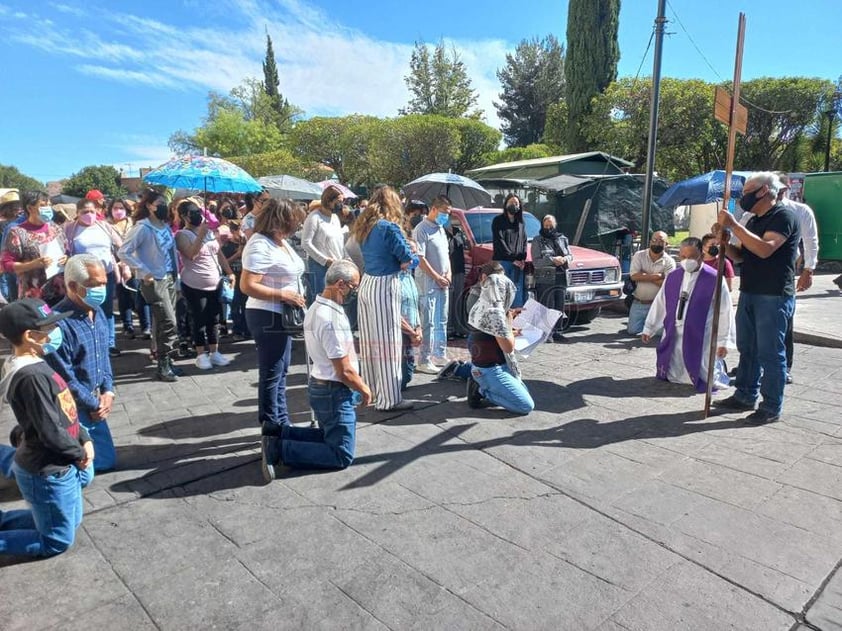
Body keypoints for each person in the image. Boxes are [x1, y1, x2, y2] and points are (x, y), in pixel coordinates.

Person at [0, 298, 94, 557]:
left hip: (62, 464)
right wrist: (78, 454)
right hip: (47, 470)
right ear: (30, 336)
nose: (55, 333)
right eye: (49, 328)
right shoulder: (31, 377)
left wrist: (84, 437)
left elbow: (65, 412)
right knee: (57, 541)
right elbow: (50, 429)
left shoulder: (38, 364)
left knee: (67, 524)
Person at [260, 260, 371, 480]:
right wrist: (364, 388)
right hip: (334, 391)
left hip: (322, 387)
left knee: (328, 435)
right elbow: (344, 371)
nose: (354, 293)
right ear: (341, 284)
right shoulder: (330, 319)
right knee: (340, 453)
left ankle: (277, 433)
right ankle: (278, 450)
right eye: (353, 287)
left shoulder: (316, 306)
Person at [714, 172, 800, 424]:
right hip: (750, 291)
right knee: (748, 348)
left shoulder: (783, 216)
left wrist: (734, 225)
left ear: (764, 191)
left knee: (770, 352)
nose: (744, 196)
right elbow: (741, 256)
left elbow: (764, 249)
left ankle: (771, 405)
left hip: (773, 295)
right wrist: (725, 243)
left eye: (749, 190)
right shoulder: (753, 221)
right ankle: (745, 394)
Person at [44, 254, 117, 471]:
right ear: (73, 286)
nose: (101, 290)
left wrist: (108, 392)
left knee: (105, 461)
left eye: (103, 283)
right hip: (69, 406)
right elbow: (64, 378)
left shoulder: (97, 312)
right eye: (94, 285)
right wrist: (95, 405)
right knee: (83, 470)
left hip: (92, 402)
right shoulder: (58, 326)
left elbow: (103, 357)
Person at [240, 198, 306, 434]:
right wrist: (283, 295)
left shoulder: (279, 241)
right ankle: (271, 427)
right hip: (267, 314)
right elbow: (247, 285)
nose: (296, 227)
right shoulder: (260, 244)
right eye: (293, 222)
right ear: (280, 221)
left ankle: (282, 422)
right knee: (272, 373)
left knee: (281, 371)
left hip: (281, 313)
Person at [352, 185, 417, 411]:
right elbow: (407, 260)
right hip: (385, 283)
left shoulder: (365, 225)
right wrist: (414, 254)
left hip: (367, 282)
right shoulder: (389, 227)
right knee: (389, 342)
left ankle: (371, 391)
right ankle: (390, 398)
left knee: (370, 343)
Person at [641, 238, 734, 391]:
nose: (686, 261)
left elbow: (724, 310)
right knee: (674, 358)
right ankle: (674, 375)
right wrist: (649, 328)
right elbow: (661, 303)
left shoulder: (714, 279)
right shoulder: (673, 276)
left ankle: (701, 376)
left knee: (701, 364)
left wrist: (723, 342)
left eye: (691, 257)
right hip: (674, 330)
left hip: (702, 333)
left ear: (701, 256)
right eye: (683, 257)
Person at [117, 190, 182, 382]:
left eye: (165, 203)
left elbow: (171, 254)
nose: (163, 207)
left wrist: (176, 278)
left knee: (164, 323)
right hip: (153, 281)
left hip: (169, 277)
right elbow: (124, 252)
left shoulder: (165, 226)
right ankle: (163, 361)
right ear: (149, 206)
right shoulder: (142, 228)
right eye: (159, 203)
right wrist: (144, 271)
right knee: (169, 321)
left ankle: (167, 361)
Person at [465, 262, 535, 415]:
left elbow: (497, 331)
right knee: (525, 405)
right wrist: (509, 323)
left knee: (522, 391)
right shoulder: (491, 311)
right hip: (490, 366)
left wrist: (509, 319)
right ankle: (481, 390)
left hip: (493, 359)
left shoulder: (487, 303)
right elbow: (508, 347)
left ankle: (469, 373)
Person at [175, 200, 235, 369]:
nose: (196, 215)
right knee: (199, 318)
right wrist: (200, 235)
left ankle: (215, 351)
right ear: (184, 216)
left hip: (214, 283)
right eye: (192, 212)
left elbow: (218, 253)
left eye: (198, 211)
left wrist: (229, 272)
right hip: (194, 284)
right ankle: (201, 354)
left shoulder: (209, 232)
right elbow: (190, 254)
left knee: (214, 318)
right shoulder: (182, 235)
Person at [66, 198, 125, 356]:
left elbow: (121, 247)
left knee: (107, 310)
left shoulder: (104, 226)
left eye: (92, 211)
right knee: (85, 309)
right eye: (85, 212)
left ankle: (109, 343)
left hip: (106, 275)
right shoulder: (70, 230)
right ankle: (89, 341)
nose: (89, 215)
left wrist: (125, 265)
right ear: (77, 213)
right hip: (83, 278)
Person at [777, 173, 820, 385]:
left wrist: (808, 269)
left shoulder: (799, 211)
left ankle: (785, 367)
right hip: (756, 272)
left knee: (784, 323)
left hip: (784, 272)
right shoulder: (753, 212)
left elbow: (810, 241)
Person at [1, 190, 68, 304]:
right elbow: (6, 264)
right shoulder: (17, 232)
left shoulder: (55, 228)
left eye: (49, 205)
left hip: (60, 292)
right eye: (42, 205)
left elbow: (67, 250)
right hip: (34, 296)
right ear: (30, 208)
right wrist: (33, 264)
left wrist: (66, 258)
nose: (48, 208)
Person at [413, 195, 452, 374]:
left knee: (441, 319)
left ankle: (439, 352)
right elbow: (421, 259)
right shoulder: (421, 229)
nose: (446, 216)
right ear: (434, 209)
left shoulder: (441, 229)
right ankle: (424, 358)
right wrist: (436, 276)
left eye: (449, 213)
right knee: (427, 320)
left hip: (443, 281)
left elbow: (446, 255)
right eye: (444, 212)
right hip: (428, 281)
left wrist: (448, 274)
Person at [108, 198, 151, 340]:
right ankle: (128, 326)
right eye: (115, 208)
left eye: (121, 208)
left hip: (135, 263)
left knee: (140, 295)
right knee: (123, 296)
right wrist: (119, 264)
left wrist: (129, 264)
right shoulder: (107, 226)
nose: (118, 211)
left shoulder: (134, 224)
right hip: (116, 265)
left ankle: (146, 326)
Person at [531, 214, 572, 343]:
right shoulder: (537, 240)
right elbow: (536, 262)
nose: (548, 228)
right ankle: (545, 333)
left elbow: (570, 255)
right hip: (545, 278)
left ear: (555, 225)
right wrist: (553, 260)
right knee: (547, 306)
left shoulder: (563, 239)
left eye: (551, 225)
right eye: (546, 225)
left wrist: (565, 259)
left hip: (561, 276)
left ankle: (557, 332)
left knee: (559, 306)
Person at [301, 186, 346, 302]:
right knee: (321, 299)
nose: (341, 205)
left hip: (336, 266)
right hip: (319, 267)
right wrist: (325, 260)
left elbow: (339, 241)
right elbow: (305, 243)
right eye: (339, 202)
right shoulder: (314, 217)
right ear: (329, 200)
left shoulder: (335, 218)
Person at [627, 231, 676, 335]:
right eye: (654, 240)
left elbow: (667, 285)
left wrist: (644, 275)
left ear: (666, 244)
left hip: (658, 304)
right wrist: (659, 275)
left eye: (661, 241)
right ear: (650, 242)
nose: (657, 243)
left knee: (657, 333)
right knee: (632, 331)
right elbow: (634, 276)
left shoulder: (670, 262)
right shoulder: (639, 255)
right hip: (639, 303)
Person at [492, 194, 527, 308]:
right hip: (503, 262)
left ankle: (516, 322)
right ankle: (502, 321)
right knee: (502, 293)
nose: (514, 205)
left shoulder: (521, 223)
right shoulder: (498, 220)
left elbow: (524, 241)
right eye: (511, 203)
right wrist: (512, 258)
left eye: (516, 203)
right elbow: (499, 241)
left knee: (517, 292)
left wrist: (522, 259)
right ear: (506, 204)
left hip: (518, 264)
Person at [398, 266, 422, 390]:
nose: (412, 258)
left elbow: (415, 304)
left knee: (407, 375)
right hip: (398, 333)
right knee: (400, 377)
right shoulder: (393, 279)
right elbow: (394, 313)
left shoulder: (409, 277)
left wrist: (418, 327)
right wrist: (412, 333)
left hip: (411, 331)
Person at [0, 189, 24, 304]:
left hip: (19, 264)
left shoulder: (21, 222)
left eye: (19, 206)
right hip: (9, 263)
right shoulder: (6, 225)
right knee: (8, 284)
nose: (19, 209)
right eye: (15, 207)